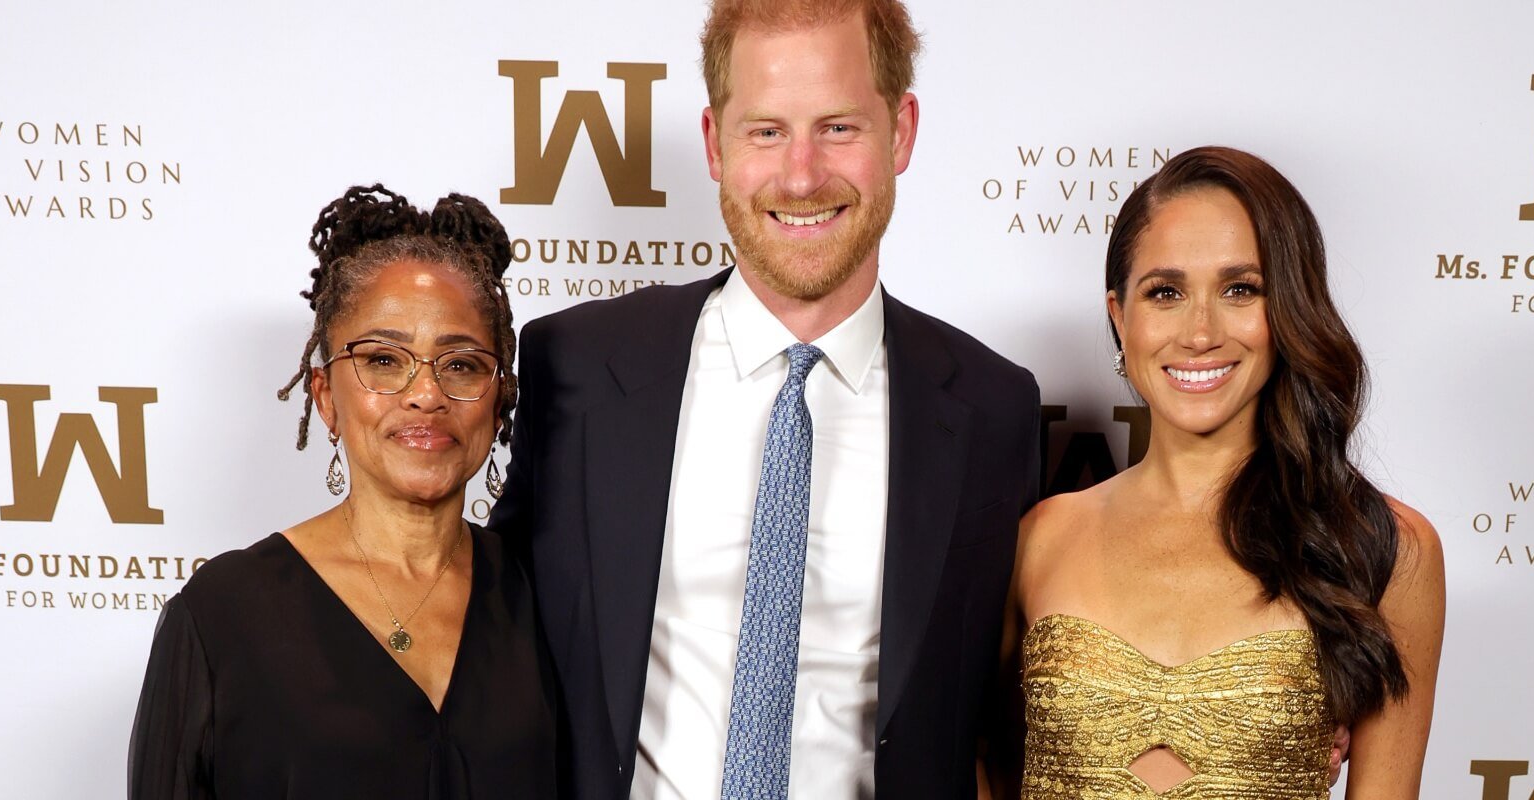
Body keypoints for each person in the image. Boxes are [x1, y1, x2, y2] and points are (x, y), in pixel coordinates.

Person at [485, 1, 1041, 798]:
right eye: (767, 131)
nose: (803, 175)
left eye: (840, 127)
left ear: (902, 131)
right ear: (715, 142)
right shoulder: (575, 367)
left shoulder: (993, 409)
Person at [1006, 147, 1444, 799]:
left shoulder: (1385, 546)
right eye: (1166, 292)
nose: (1201, 331)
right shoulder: (1041, 537)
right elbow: (973, 762)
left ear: (1289, 310)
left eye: (1240, 289)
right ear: (1120, 316)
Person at [128, 185, 555, 799]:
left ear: (498, 399)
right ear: (326, 396)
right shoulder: (223, 617)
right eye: (384, 359)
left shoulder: (546, 600)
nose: (425, 394)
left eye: (460, 364)